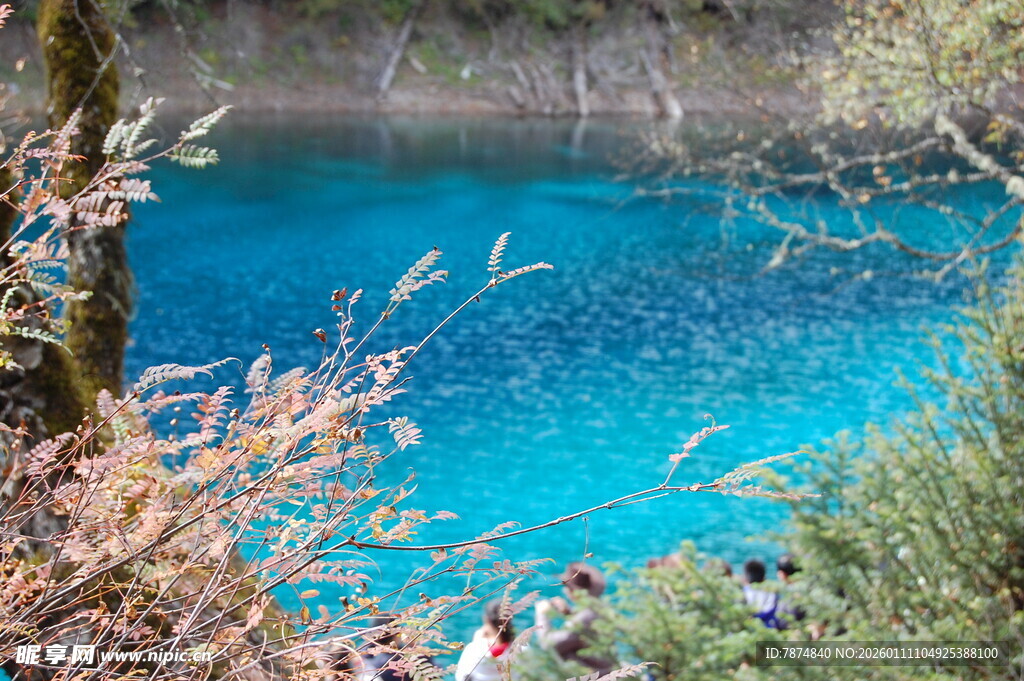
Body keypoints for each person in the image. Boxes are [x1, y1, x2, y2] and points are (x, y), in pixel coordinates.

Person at [534, 562, 614, 676]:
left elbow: (548, 645)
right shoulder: (600, 609)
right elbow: (583, 632)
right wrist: (569, 613)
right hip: (607, 671)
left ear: (572, 591)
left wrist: (542, 614)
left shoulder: (584, 618)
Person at [455, 600, 515, 681]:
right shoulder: (522, 650)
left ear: (486, 619)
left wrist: (476, 643)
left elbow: (461, 676)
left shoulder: (473, 650)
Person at [742, 559, 784, 630]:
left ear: (746, 578)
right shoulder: (773, 592)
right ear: (764, 577)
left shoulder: (743, 593)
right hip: (772, 630)